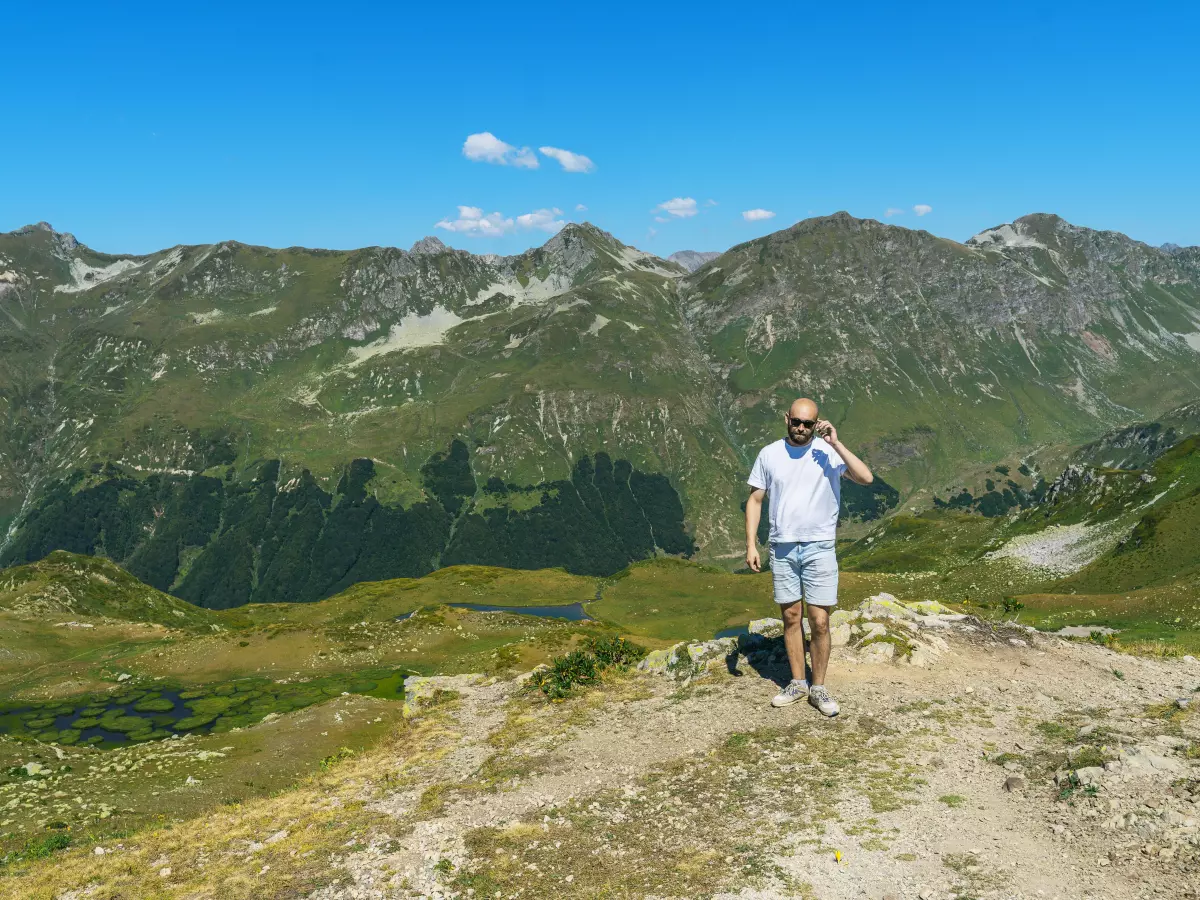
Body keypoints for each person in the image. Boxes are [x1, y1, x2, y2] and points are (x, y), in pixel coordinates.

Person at [744, 398, 874, 716]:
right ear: (786, 419)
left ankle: (819, 687)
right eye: (796, 422)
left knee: (819, 620)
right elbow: (755, 499)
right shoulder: (769, 454)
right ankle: (798, 683)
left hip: (820, 548)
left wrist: (836, 442)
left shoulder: (828, 452)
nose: (801, 428)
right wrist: (750, 544)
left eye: (808, 423)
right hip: (783, 547)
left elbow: (866, 478)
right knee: (790, 617)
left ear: (817, 424)